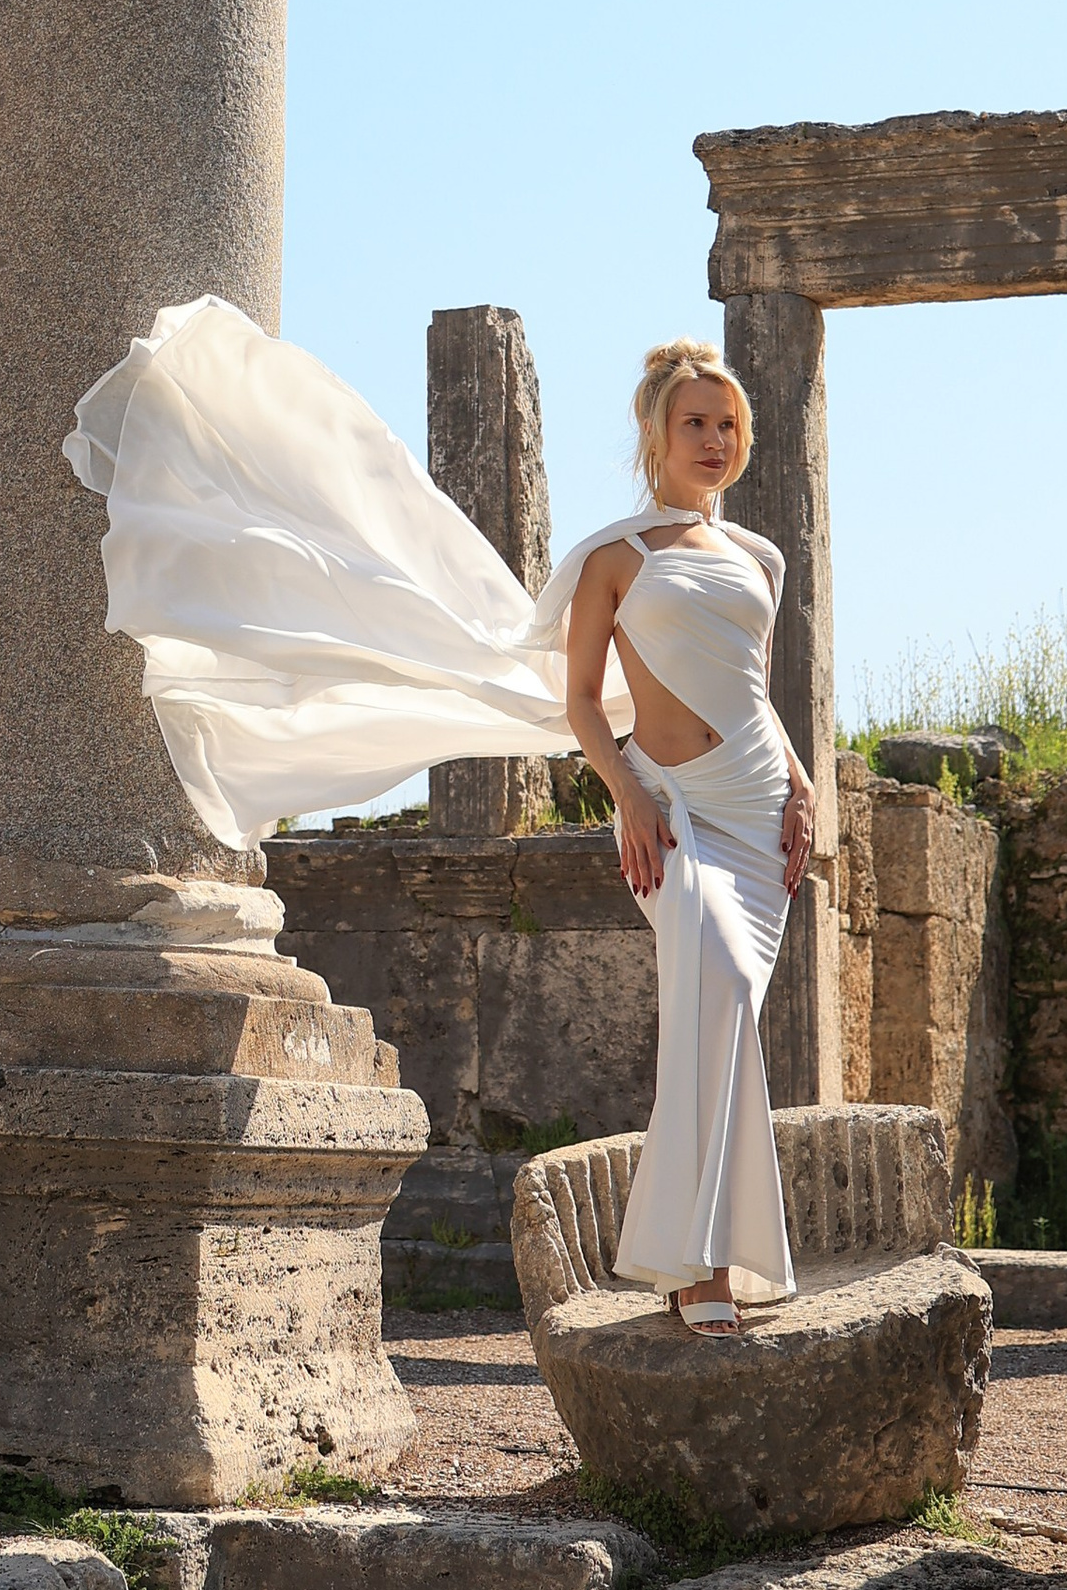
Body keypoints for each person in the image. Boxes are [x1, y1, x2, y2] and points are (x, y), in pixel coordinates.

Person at [63, 302, 819, 1332]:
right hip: (673, 808)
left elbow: (751, 687)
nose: (716, 441)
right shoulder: (615, 557)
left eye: (728, 424)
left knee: (729, 1022)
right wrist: (631, 790)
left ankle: (720, 1263)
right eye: (696, 422)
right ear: (655, 435)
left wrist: (800, 776)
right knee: (713, 989)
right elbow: (581, 702)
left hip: (760, 808)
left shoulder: (762, 559)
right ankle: (688, 1267)